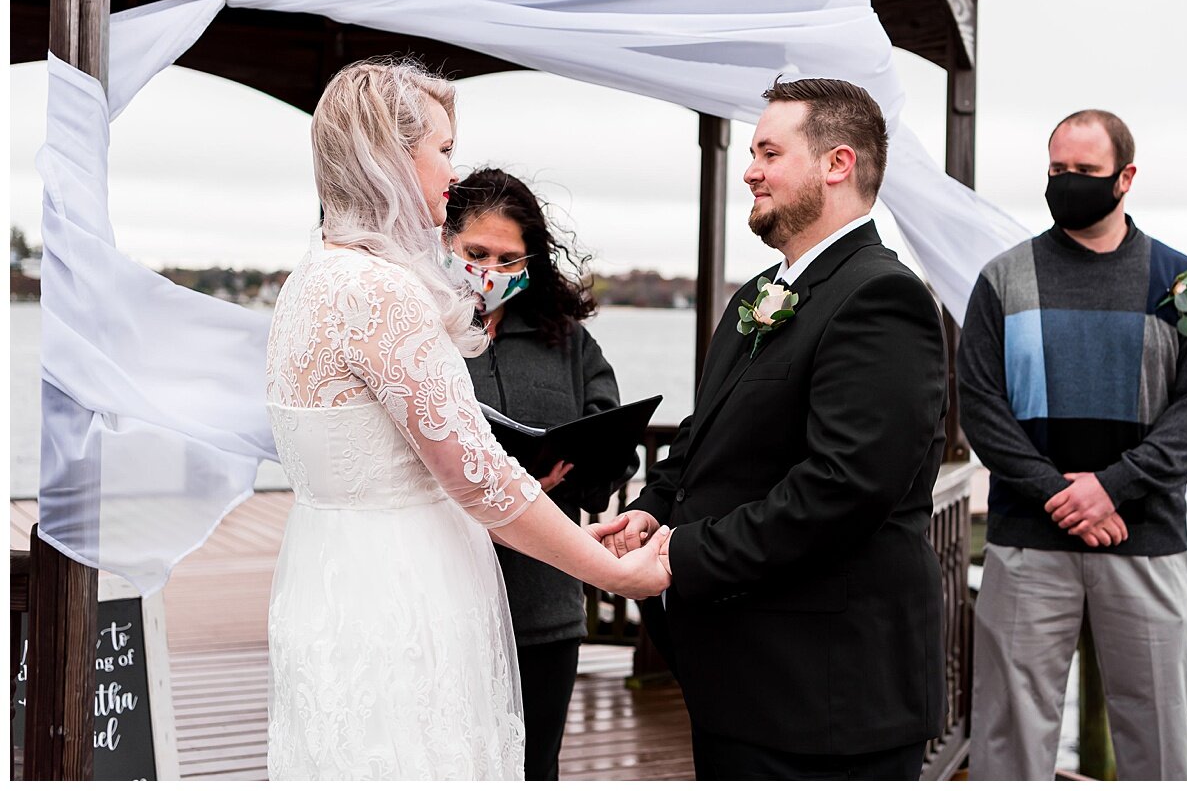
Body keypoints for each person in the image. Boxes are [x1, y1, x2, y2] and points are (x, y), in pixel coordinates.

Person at [263, 59, 670, 780]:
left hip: (331, 584)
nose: (454, 172)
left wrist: (574, 530)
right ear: (390, 152)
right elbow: (483, 485)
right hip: (404, 600)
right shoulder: (382, 295)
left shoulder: (312, 276)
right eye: (444, 150)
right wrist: (613, 572)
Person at [590, 77, 948, 779]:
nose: (750, 169)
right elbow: (707, 431)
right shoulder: (760, 294)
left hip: (828, 697)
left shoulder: (883, 297)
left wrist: (677, 557)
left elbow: (843, 488)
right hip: (741, 682)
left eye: (768, 152)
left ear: (836, 164)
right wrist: (650, 511)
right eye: (752, 152)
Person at [956, 109, 1187, 780]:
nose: (1067, 183)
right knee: (1008, 741)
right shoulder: (1002, 280)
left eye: (1086, 172)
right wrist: (1060, 493)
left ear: (1126, 177)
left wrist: (1112, 487)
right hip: (1027, 542)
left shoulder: (1181, 285)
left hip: (1146, 541)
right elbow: (981, 408)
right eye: (1057, 171)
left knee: (1158, 745)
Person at [443, 167, 624, 781]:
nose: (491, 270)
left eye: (508, 258)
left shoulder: (566, 341)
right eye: (475, 253)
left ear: (532, 262)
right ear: (444, 242)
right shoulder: (417, 334)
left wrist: (564, 477)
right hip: (445, 606)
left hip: (545, 608)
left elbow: (609, 448)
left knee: (535, 768)